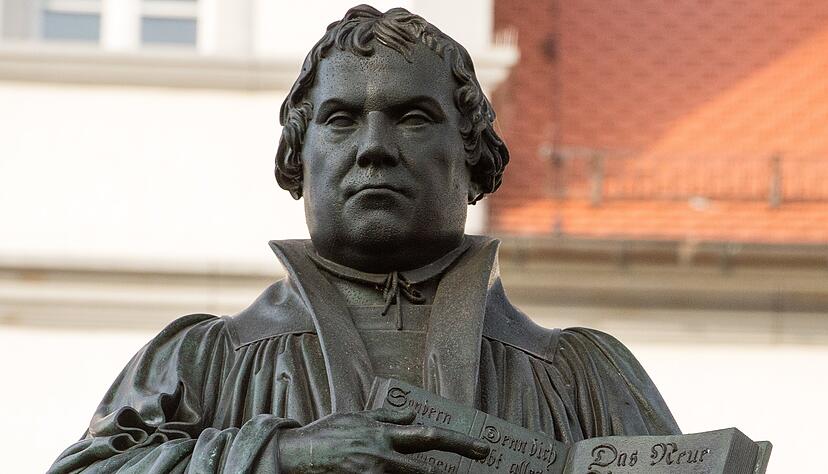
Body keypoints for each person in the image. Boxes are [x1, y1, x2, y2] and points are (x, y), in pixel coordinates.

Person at [48, 5, 680, 473]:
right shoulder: (199, 364)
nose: (374, 148)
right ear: (299, 157)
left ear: (473, 156)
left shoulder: (585, 380)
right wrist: (280, 458)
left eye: (413, 118)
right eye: (342, 120)